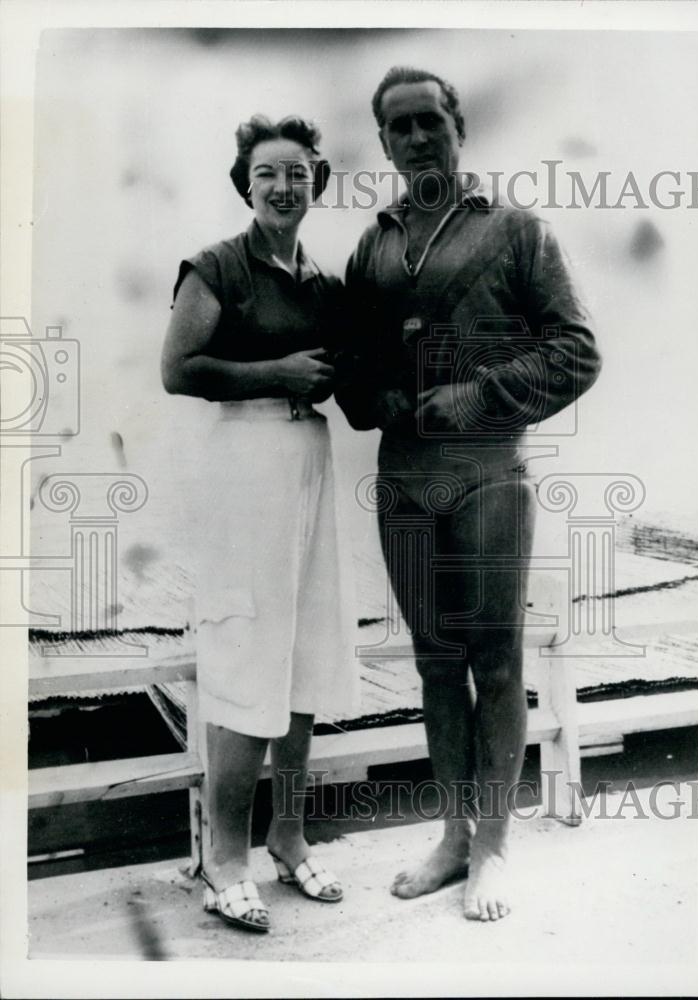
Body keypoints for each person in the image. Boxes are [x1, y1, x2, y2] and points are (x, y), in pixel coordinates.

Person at [336, 67, 602, 922]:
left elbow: (577, 353)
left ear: (459, 128)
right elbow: (355, 370)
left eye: (430, 122)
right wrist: (369, 397)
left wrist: (477, 395)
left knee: (496, 663)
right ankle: (452, 838)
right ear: (382, 142)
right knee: (435, 665)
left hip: (489, 475)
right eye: (399, 127)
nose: (417, 138)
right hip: (405, 483)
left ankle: (493, 849)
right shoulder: (371, 247)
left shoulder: (518, 231)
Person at [161, 114, 357, 933]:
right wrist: (274, 371)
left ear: (318, 182)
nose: (284, 187)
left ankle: (290, 836)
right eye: (268, 173)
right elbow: (178, 370)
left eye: (299, 174)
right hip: (244, 464)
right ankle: (224, 860)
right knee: (245, 651)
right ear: (247, 184)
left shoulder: (321, 279)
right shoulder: (217, 266)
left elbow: (359, 371)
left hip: (309, 458)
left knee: (307, 649)